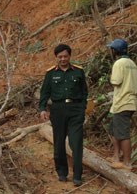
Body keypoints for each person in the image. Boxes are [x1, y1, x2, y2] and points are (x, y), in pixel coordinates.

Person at [39, 44, 88, 187]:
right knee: (59, 142)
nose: (63, 59)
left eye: (65, 56)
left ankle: (77, 175)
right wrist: (42, 109)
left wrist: (82, 108)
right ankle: (62, 172)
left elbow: (84, 92)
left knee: (76, 142)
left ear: (70, 56)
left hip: (75, 110)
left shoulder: (78, 72)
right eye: (60, 57)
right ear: (56, 58)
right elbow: (44, 93)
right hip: (58, 110)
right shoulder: (50, 74)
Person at [107, 38, 137, 171]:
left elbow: (116, 81)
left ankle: (127, 163)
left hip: (123, 102)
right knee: (114, 129)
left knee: (123, 133)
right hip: (130, 101)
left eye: (112, 49)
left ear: (115, 51)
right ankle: (116, 156)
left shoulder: (119, 63)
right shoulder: (132, 63)